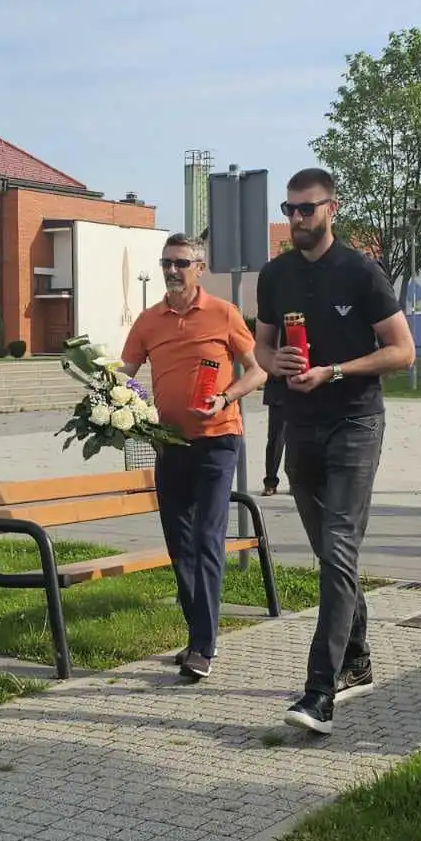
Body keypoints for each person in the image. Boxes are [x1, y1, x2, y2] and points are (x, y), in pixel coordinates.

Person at [255, 167, 414, 736]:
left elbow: (402, 350)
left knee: (340, 544)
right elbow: (261, 346)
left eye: (307, 208)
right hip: (299, 424)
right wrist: (277, 364)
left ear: (332, 209)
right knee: (330, 552)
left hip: (354, 421)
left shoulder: (361, 271)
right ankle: (358, 659)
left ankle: (319, 692)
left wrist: (335, 371)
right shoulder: (274, 275)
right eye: (290, 209)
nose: (297, 218)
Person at [123, 232, 265, 681]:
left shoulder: (224, 313)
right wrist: (109, 399)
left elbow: (257, 371)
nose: (172, 270)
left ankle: (203, 645)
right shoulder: (148, 321)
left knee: (206, 537)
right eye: (167, 262)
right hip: (170, 444)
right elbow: (125, 375)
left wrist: (225, 398)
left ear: (199, 268)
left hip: (218, 440)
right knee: (179, 542)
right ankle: (198, 634)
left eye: (181, 263)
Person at [262, 376, 287, 496]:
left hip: (304, 390)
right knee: (276, 439)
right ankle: (270, 482)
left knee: (299, 440)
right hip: (279, 391)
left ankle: (297, 482)